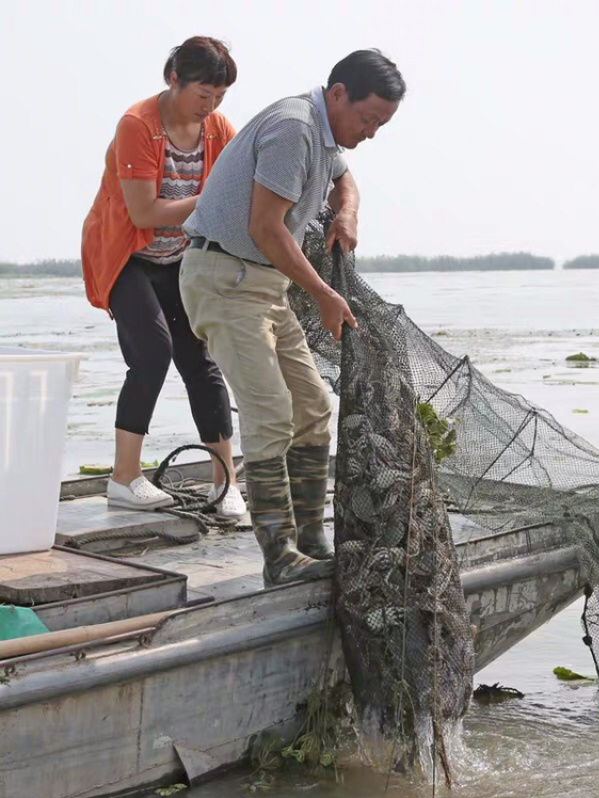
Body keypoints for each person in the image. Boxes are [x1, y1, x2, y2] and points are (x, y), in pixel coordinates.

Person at [180, 49, 406, 585]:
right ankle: (279, 555)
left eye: (381, 124)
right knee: (271, 412)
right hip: (225, 279)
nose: (371, 132)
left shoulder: (327, 136)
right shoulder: (294, 129)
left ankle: (310, 540)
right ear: (337, 94)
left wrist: (346, 211)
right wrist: (325, 293)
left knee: (312, 405)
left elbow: (344, 181)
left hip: (264, 285)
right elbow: (265, 227)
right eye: (367, 118)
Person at [81, 36, 246, 518]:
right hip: (125, 253)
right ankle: (123, 479)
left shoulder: (218, 128)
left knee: (201, 357)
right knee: (153, 352)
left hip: (180, 257)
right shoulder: (138, 125)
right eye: (202, 96)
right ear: (173, 79)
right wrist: (211, 199)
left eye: (219, 98)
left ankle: (227, 485)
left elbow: (243, 182)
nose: (210, 107)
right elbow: (144, 212)